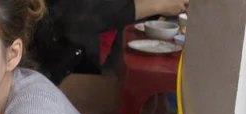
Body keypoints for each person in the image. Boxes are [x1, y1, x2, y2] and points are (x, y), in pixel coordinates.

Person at [32, 0, 190, 84]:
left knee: (153, 104)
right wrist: (155, 5)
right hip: (46, 76)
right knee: (133, 99)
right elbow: (75, 15)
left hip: (80, 64)